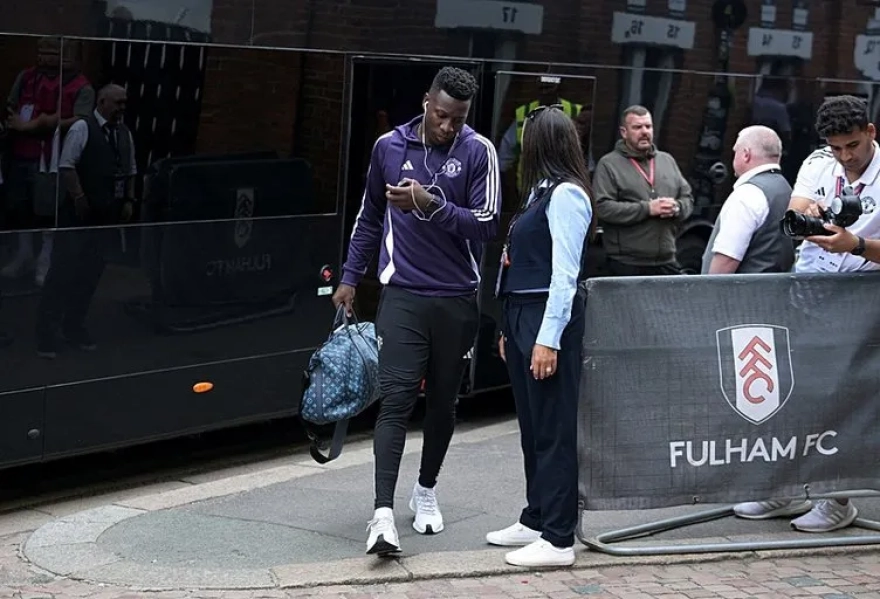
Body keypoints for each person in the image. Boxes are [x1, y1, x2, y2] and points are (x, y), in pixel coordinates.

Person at [332, 66, 500, 556]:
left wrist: (428, 204)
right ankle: (382, 515)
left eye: (458, 119)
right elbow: (369, 217)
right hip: (402, 294)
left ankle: (425, 490)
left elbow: (486, 224)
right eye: (442, 115)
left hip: (456, 298)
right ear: (427, 102)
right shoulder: (389, 146)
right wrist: (348, 277)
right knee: (396, 399)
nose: (448, 126)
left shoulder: (478, 151)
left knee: (444, 403)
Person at [733, 95, 880, 532]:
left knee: (842, 402)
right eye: (836, 148)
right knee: (795, 395)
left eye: (852, 145)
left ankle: (836, 498)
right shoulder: (819, 162)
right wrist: (808, 213)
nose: (845, 156)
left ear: (871, 132)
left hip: (860, 300)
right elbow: (794, 212)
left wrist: (854, 243)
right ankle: (787, 488)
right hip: (809, 294)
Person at [487, 105, 593, 568]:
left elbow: (565, 275)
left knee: (552, 427)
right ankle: (537, 517)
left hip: (544, 315)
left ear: (541, 145)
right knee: (533, 426)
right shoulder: (541, 193)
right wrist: (508, 326)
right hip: (522, 313)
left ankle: (558, 536)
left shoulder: (567, 195)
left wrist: (547, 338)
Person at [35, 84, 136, 358]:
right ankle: (46, 332)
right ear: (102, 101)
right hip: (79, 215)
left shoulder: (124, 134)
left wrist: (128, 200)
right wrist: (78, 196)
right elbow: (67, 165)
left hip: (106, 216)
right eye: (117, 103)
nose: (121, 108)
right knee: (62, 273)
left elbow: (130, 171)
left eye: (124, 103)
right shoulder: (83, 128)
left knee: (89, 275)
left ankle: (74, 326)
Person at [593, 105, 694, 276]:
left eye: (648, 126)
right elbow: (602, 208)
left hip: (666, 261)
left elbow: (688, 198)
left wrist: (677, 207)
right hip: (627, 264)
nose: (644, 132)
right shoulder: (609, 164)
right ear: (624, 132)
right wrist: (647, 209)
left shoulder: (667, 160)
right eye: (637, 127)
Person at [701, 125, 795, 274]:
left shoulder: (747, 194)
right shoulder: (786, 190)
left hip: (741, 294)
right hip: (777, 292)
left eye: (735, 151)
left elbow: (727, 258)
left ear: (746, 154)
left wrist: (710, 293)